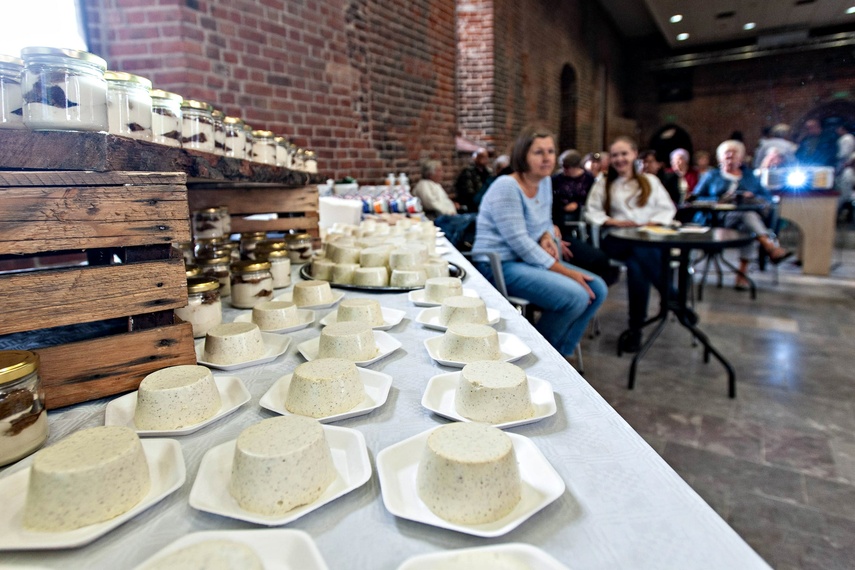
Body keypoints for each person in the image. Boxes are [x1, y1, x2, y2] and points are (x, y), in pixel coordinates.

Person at [471, 127, 607, 360]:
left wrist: (545, 235)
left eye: (551, 151)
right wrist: (566, 272)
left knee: (598, 289)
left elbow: (544, 220)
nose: (546, 158)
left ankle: (560, 352)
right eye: (538, 152)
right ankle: (539, 356)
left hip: (524, 260)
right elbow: (520, 242)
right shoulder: (506, 186)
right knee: (576, 296)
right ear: (523, 155)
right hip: (497, 264)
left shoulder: (544, 183)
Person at [585, 136, 678, 353]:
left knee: (638, 266)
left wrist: (650, 222)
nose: (619, 159)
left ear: (634, 154)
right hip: (618, 239)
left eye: (624, 154)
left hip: (647, 238)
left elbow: (667, 209)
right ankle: (672, 297)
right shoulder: (604, 183)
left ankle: (635, 329)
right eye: (615, 155)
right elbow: (592, 211)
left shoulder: (650, 181)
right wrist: (613, 221)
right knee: (640, 251)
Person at [692, 139, 793, 289]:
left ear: (740, 158)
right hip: (718, 220)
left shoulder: (749, 176)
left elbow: (767, 198)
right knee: (748, 217)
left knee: (748, 223)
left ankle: (741, 273)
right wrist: (719, 199)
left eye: (734, 154)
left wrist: (750, 196)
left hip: (743, 221)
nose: (730, 157)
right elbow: (696, 197)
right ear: (720, 157)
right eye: (727, 154)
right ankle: (770, 247)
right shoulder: (712, 176)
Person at [552, 149, 594, 223]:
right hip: (559, 212)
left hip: (581, 212)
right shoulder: (556, 178)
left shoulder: (588, 179)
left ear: (576, 166)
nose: (564, 170)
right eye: (562, 166)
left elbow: (592, 198)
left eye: (567, 167)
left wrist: (578, 204)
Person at [453, 147, 491, 213]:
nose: (484, 159)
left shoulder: (488, 172)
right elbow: (467, 192)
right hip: (472, 205)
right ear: (476, 157)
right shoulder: (468, 172)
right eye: (481, 156)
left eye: (486, 157)